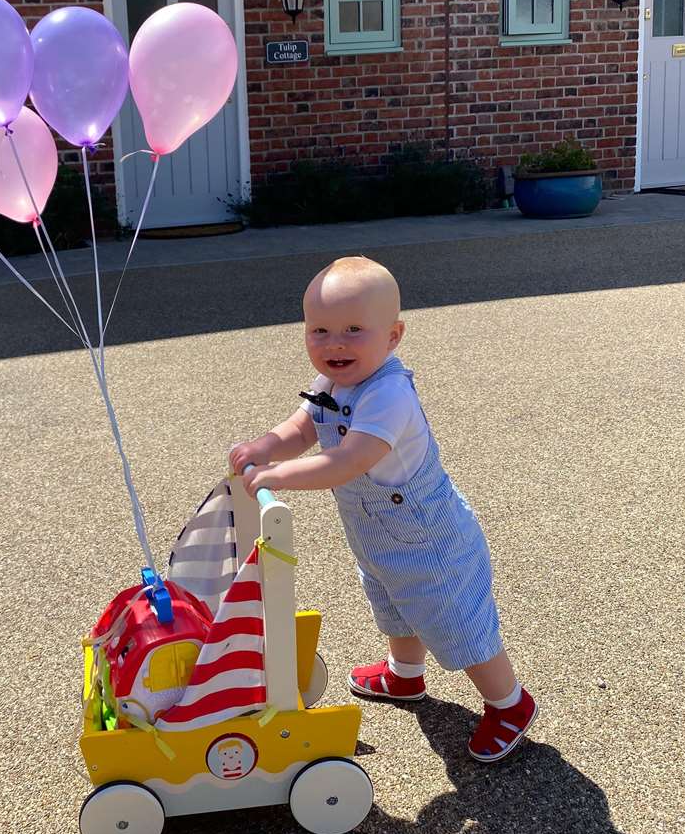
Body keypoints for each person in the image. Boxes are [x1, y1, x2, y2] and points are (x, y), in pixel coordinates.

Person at [229, 255, 536, 762]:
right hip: (378, 538)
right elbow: (300, 430)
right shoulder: (331, 386)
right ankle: (404, 675)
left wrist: (277, 476)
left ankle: (508, 702)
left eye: (354, 330)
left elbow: (348, 461)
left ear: (393, 336)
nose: (335, 344)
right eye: (320, 331)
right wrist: (265, 447)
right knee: (391, 603)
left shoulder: (389, 394)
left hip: (429, 539)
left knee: (455, 622)